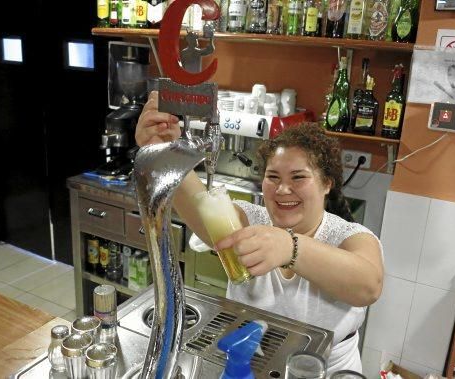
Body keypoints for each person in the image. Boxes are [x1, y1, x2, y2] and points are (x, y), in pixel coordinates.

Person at [136, 91, 384, 374]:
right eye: (273, 177)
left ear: (327, 183)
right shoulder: (249, 220)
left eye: (298, 177)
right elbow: (199, 204)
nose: (283, 189)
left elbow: (369, 285)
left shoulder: (349, 236)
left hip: (326, 371)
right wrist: (166, 151)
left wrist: (290, 247)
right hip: (250, 362)